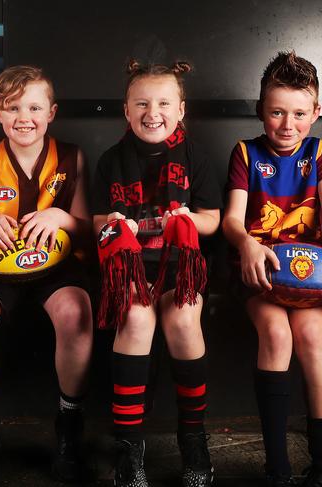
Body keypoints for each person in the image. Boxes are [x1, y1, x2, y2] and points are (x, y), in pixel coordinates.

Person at [222, 51, 322, 487]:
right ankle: (277, 467)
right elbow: (231, 218)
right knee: (278, 334)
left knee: (310, 337)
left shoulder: (319, 152)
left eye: (299, 113)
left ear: (316, 113)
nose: (288, 124)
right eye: (277, 112)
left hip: (307, 271)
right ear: (261, 110)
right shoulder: (246, 153)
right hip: (259, 269)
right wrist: (246, 242)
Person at [0, 65, 94, 486]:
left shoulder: (72, 157)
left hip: (55, 266)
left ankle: (69, 427)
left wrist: (60, 217)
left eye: (34, 107)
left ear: (51, 112)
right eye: (13, 107)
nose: (24, 116)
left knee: (77, 311)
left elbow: (88, 228)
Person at [92, 59, 222, 487]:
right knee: (133, 318)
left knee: (184, 319)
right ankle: (130, 448)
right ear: (126, 110)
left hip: (179, 268)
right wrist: (115, 223)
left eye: (164, 102)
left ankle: (193, 439)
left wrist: (185, 219)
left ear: (181, 108)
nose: (153, 112)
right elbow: (96, 222)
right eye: (142, 103)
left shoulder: (196, 157)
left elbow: (213, 220)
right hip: (130, 268)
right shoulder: (112, 160)